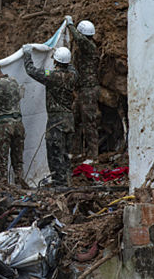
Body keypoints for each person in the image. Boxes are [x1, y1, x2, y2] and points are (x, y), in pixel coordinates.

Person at [22, 45, 77, 185]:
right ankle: (67, 180)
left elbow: (31, 71)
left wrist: (27, 54)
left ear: (56, 62)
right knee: (65, 153)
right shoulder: (73, 75)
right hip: (69, 119)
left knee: (55, 153)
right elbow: (70, 67)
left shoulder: (53, 76)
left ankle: (59, 183)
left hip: (56, 120)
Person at [66, 17, 100, 159]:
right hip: (82, 90)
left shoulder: (89, 47)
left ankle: (93, 156)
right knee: (75, 119)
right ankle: (76, 151)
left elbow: (80, 40)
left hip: (89, 90)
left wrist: (70, 25)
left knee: (89, 122)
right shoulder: (83, 49)